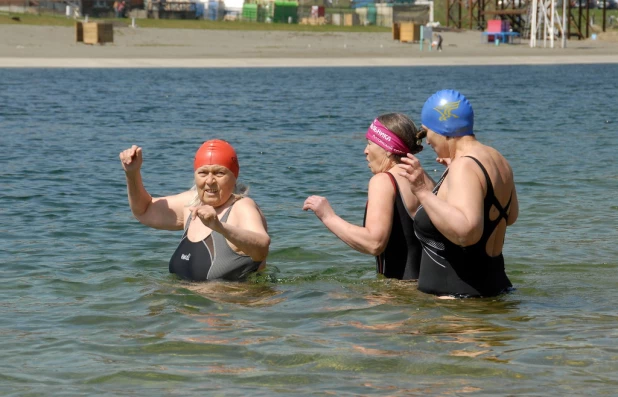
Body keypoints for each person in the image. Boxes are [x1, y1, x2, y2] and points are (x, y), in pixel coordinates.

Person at [399, 89, 519, 297]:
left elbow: (467, 232)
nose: (427, 141)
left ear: (443, 127)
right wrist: (450, 182)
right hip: (495, 291)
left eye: (427, 132)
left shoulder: (464, 166)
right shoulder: (497, 158)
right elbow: (510, 217)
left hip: (460, 309)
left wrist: (421, 190)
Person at [303, 113, 433, 280]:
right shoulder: (426, 180)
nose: (365, 151)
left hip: (397, 296)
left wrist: (328, 216)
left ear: (387, 149)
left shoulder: (384, 181)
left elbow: (374, 243)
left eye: (370, 143)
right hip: (427, 290)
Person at [119, 140, 270, 282]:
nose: (210, 181)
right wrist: (132, 173)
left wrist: (220, 227)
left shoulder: (242, 206)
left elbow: (262, 246)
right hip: (190, 307)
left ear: (234, 176)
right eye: (203, 173)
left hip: (234, 306)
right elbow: (143, 211)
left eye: (219, 173)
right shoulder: (191, 204)